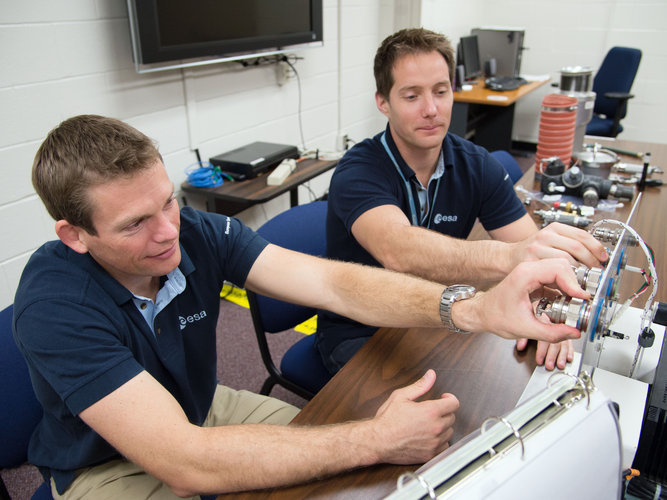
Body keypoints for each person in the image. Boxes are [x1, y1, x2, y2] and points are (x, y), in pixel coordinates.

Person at [14, 115, 588, 499]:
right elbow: (183, 458)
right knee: (358, 446)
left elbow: (333, 284)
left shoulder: (197, 231)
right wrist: (375, 437)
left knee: (344, 470)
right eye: (135, 223)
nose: (168, 232)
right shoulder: (55, 301)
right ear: (75, 235)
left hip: (198, 407)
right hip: (106, 463)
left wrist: (473, 309)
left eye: (168, 202)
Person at [315, 27, 608, 376]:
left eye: (441, 91)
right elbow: (399, 251)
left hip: (438, 314)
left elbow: (529, 252)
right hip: (363, 330)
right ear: (383, 102)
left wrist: (550, 312)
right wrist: (513, 256)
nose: (431, 109)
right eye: (411, 96)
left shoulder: (476, 163)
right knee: (427, 420)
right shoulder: (358, 171)